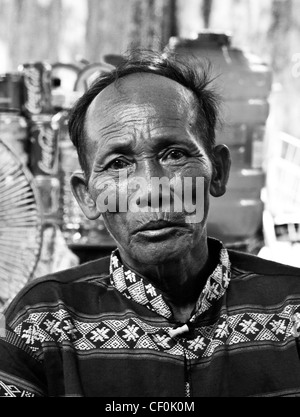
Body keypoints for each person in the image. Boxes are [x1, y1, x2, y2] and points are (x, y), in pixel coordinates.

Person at [1, 49, 300, 398]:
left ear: (217, 171)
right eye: (117, 164)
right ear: (86, 196)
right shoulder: (43, 320)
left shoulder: (291, 307)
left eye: (174, 154)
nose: (151, 190)